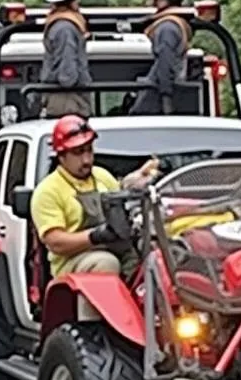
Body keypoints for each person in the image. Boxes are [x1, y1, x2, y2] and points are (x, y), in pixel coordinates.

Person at [30, 116, 152, 279]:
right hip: (71, 262)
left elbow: (123, 199)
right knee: (106, 263)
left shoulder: (102, 176)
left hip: (118, 250)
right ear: (61, 155)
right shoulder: (48, 191)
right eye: (78, 153)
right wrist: (96, 235)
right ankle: (103, 305)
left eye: (89, 150)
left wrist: (137, 182)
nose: (86, 159)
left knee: (154, 260)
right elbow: (55, 242)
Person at [130, 0, 191, 116]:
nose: (152, 3)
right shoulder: (177, 24)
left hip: (154, 101)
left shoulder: (167, 28)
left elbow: (165, 63)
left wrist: (166, 99)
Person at [39, 0, 92, 119]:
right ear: (72, 0)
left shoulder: (59, 25)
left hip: (62, 101)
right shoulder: (66, 28)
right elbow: (67, 76)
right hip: (68, 103)